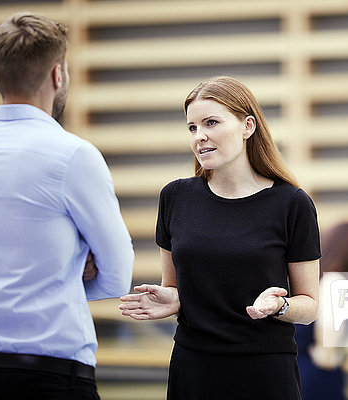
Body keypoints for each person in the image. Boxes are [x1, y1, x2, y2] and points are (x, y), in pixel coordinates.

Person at [0, 12, 134, 399]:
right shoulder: (73, 155)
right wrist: (63, 276)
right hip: (54, 379)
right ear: (58, 75)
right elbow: (117, 274)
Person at [119, 76, 321, 400]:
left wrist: (279, 306)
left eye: (211, 122)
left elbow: (309, 306)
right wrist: (173, 299)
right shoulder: (174, 197)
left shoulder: (292, 204)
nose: (200, 137)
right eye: (192, 128)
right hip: (193, 367)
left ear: (248, 126)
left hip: (265, 371)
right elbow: (174, 287)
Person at [296, 222, 348, 400]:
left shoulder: (308, 281)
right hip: (319, 378)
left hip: (298, 373)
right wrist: (334, 358)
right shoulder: (336, 281)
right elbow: (328, 349)